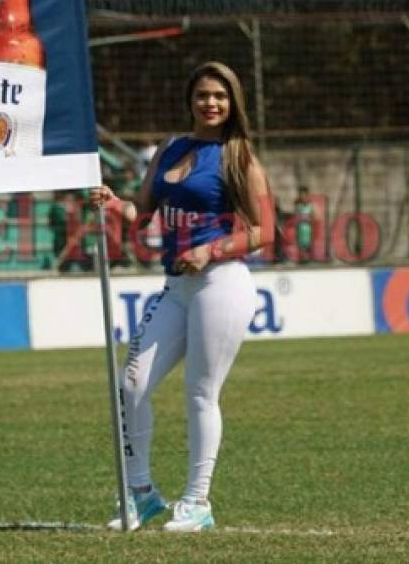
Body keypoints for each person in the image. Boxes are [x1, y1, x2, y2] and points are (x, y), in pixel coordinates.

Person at [90, 61, 272, 532]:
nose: (210, 103)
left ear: (232, 103)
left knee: (200, 393)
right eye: (202, 95)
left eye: (220, 96)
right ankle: (142, 495)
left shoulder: (240, 156)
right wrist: (112, 202)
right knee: (130, 386)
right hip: (175, 286)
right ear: (190, 100)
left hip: (222, 283)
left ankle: (197, 503)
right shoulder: (170, 149)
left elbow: (262, 231)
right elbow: (142, 210)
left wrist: (211, 249)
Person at [294, 185, 316, 263]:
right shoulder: (298, 206)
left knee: (308, 247)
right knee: (301, 247)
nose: (303, 197)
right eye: (301, 195)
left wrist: (308, 219)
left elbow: (314, 218)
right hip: (300, 230)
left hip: (308, 230)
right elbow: (296, 219)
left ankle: (308, 259)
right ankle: (302, 259)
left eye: (304, 195)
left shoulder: (311, 207)